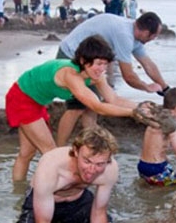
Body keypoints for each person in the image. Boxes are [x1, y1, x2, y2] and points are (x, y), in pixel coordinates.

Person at [5, 35, 146, 181]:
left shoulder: (96, 75)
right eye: (98, 63)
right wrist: (133, 113)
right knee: (51, 154)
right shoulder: (70, 75)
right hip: (21, 99)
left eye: (105, 64)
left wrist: (142, 108)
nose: (102, 69)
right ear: (84, 60)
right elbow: (97, 107)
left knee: (27, 153)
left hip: (37, 101)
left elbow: (113, 99)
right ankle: (46, 193)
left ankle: (18, 193)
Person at [55, 11, 169, 146]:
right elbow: (129, 76)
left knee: (91, 105)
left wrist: (165, 88)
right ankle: (57, 149)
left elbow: (148, 65)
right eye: (154, 35)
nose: (154, 38)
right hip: (71, 55)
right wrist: (146, 87)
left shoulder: (135, 37)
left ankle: (91, 145)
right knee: (76, 107)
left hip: (90, 59)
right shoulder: (124, 36)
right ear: (144, 31)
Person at [14, 126, 119, 223]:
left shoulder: (110, 169)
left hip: (78, 201)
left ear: (108, 160)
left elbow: (99, 212)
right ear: (75, 151)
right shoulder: (51, 166)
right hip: (45, 203)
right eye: (87, 161)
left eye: (99, 164)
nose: (92, 170)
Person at [138, 87, 176, 186]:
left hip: (142, 165)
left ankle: (150, 187)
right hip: (156, 168)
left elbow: (155, 146)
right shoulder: (170, 124)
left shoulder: (155, 119)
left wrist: (166, 160)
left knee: (152, 183)